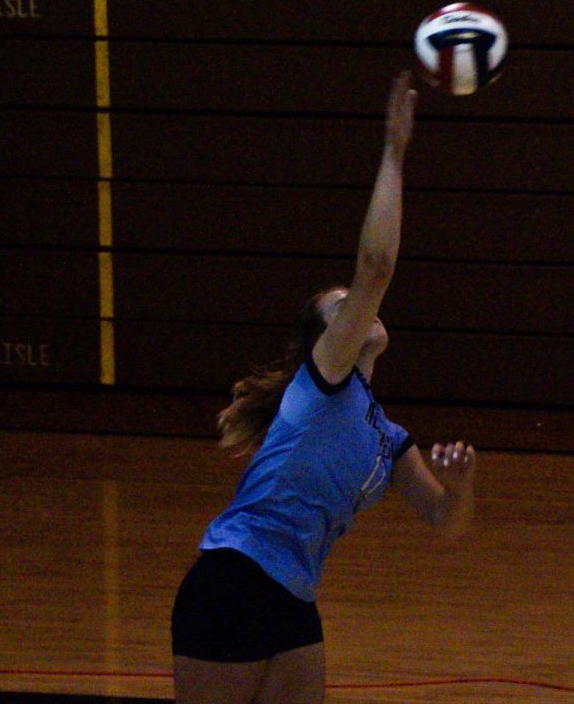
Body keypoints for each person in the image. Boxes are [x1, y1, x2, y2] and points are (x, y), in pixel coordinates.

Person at [170, 70, 476, 704]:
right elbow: (377, 266)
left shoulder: (385, 435)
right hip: (233, 581)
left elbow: (445, 521)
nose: (358, 308)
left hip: (293, 598)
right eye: (344, 309)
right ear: (326, 340)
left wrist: (464, 487)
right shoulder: (324, 382)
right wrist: (394, 150)